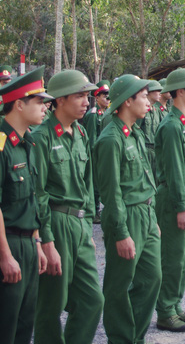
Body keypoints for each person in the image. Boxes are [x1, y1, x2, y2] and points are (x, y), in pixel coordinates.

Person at [33, 70, 103, 344]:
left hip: (78, 224)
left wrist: (87, 227)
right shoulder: (42, 137)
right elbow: (38, 194)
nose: (87, 101)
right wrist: (46, 241)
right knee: (51, 304)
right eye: (80, 96)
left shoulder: (81, 132)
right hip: (56, 223)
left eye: (88, 96)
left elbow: (87, 187)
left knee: (91, 301)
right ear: (59, 100)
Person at [94, 74, 161, 344]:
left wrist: (152, 216)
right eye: (143, 96)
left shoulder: (134, 132)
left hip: (145, 214)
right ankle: (121, 338)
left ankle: (137, 337)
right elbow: (111, 194)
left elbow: (145, 178)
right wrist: (120, 232)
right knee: (120, 285)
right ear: (126, 101)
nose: (148, 101)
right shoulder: (111, 139)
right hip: (126, 215)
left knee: (152, 278)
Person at [0, 67, 50, 344]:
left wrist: (37, 242)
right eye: (39, 102)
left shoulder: (27, 142)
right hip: (7, 244)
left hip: (27, 245)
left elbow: (30, 198)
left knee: (24, 323)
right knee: (6, 324)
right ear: (19, 104)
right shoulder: (2, 144)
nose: (45, 107)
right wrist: (5, 256)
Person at [155, 68, 185, 332]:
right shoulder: (172, 125)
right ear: (180, 92)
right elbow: (174, 172)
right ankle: (164, 311)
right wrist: (181, 206)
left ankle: (174, 304)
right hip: (175, 197)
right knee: (172, 257)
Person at [82, 79, 110, 223]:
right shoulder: (93, 114)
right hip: (94, 155)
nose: (107, 99)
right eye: (104, 96)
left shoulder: (104, 113)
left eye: (108, 96)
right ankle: (93, 212)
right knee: (94, 184)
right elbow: (92, 139)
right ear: (97, 97)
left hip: (101, 154)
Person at [138, 79, 164, 181]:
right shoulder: (142, 111)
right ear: (149, 92)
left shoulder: (156, 111)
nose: (159, 93)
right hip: (145, 150)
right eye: (157, 90)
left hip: (155, 151)